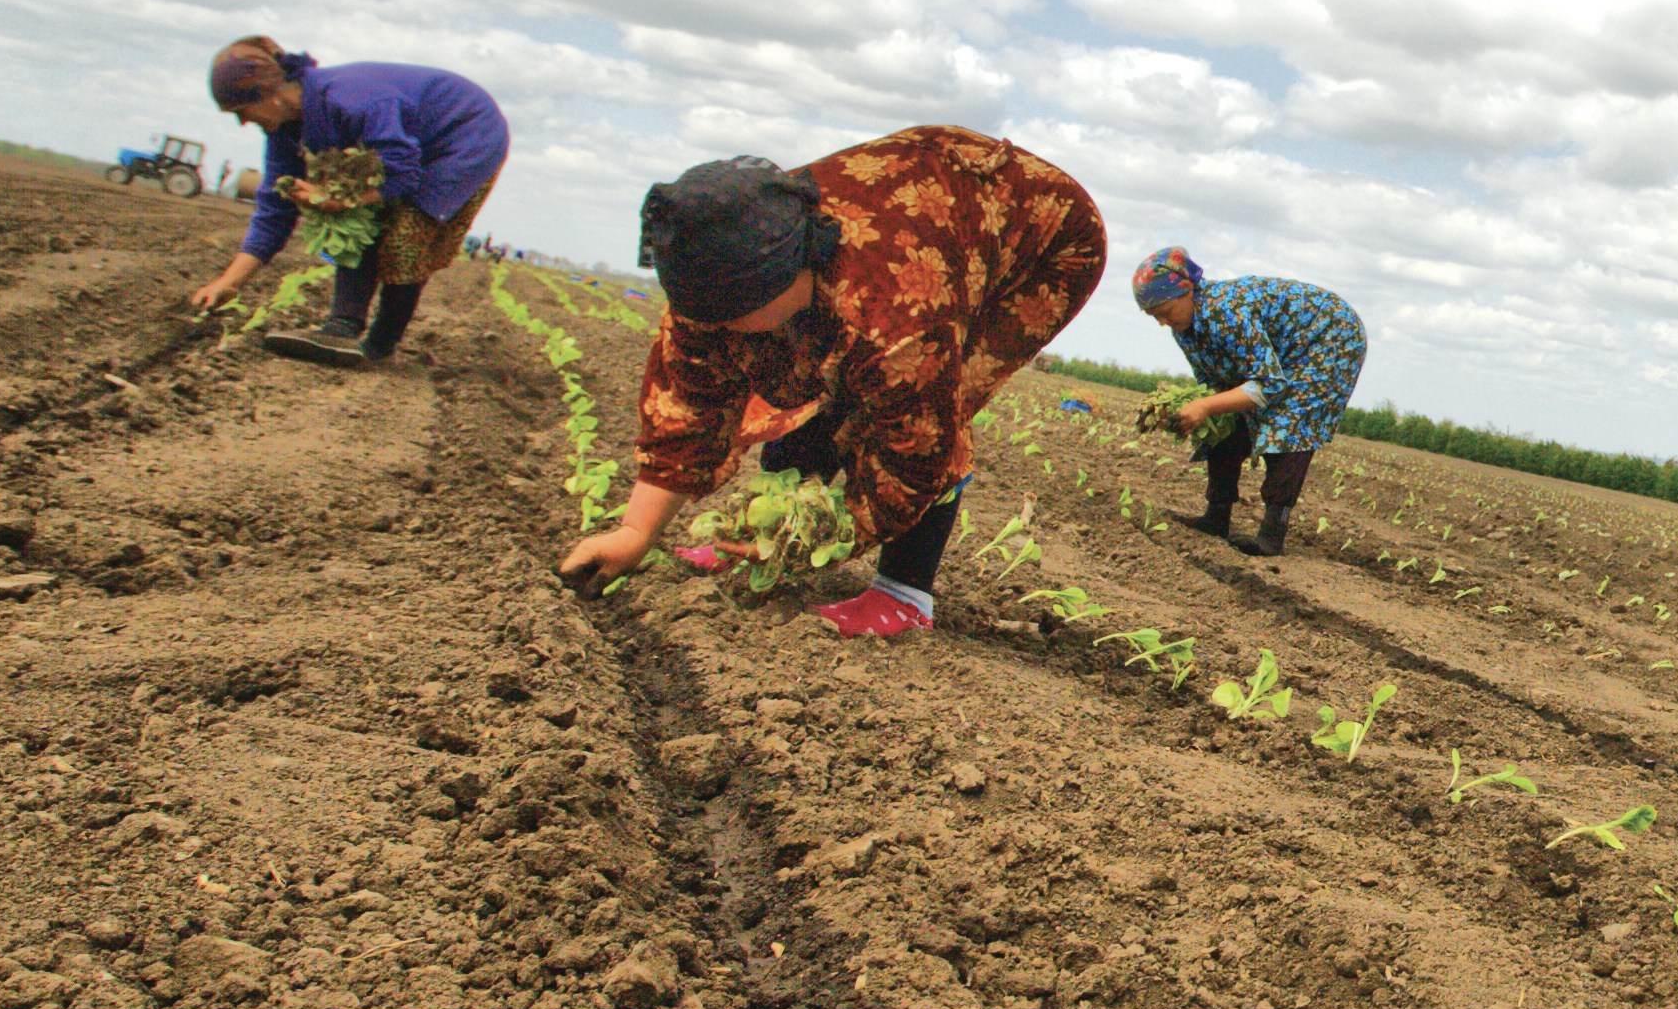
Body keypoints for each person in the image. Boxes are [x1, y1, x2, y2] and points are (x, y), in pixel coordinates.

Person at [558, 130, 1105, 638]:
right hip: (920, 206)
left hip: (1040, 236)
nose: (718, 328)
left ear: (797, 270)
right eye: (707, 315)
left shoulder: (896, 311)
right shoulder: (716, 263)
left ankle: (905, 594)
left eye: (733, 314)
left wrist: (817, 533)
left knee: (923, 401)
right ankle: (761, 535)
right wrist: (635, 533)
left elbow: (916, 449)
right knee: (810, 378)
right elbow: (686, 403)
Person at [187, 39, 510, 367]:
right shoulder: (284, 132)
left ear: (267, 96)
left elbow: (404, 175)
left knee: (406, 236)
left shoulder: (350, 101)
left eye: (241, 111)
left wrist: (341, 199)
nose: (243, 122)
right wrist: (229, 283)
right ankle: (341, 329)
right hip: (411, 143)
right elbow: (274, 208)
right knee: (352, 220)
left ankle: (380, 345)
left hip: (464, 134)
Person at [1130, 249, 1367, 558]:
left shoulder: (1227, 311)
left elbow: (1268, 384)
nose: (1163, 322)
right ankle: (1216, 516)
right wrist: (1190, 410)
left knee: (1288, 423)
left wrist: (1205, 406)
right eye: (1154, 316)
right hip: (1284, 350)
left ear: (1187, 290)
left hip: (1328, 338)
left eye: (1166, 310)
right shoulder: (1184, 330)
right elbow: (1217, 387)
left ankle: (1271, 535)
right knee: (1225, 416)